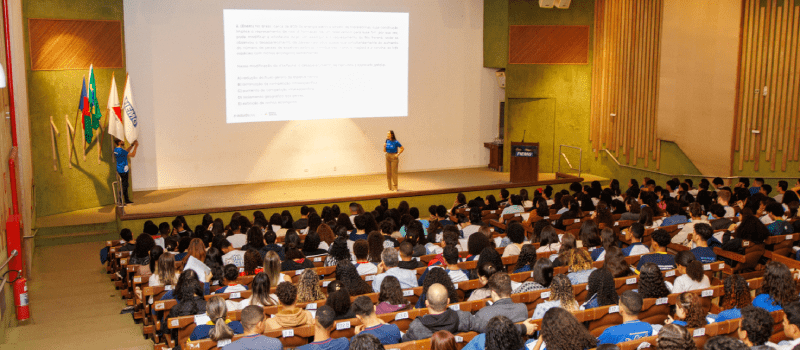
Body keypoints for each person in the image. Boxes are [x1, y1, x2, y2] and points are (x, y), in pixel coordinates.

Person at [402, 283, 473, 341]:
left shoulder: (416, 326)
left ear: (426, 303)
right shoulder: (464, 317)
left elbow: (405, 344)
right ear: (448, 301)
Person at [113, 138, 139, 204]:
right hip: (123, 170)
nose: (123, 141)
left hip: (120, 169)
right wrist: (136, 147)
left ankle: (126, 200)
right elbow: (133, 155)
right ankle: (120, 201)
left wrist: (132, 145)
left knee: (125, 185)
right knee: (124, 186)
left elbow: (126, 152)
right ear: (119, 142)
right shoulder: (121, 151)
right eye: (122, 141)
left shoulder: (116, 149)